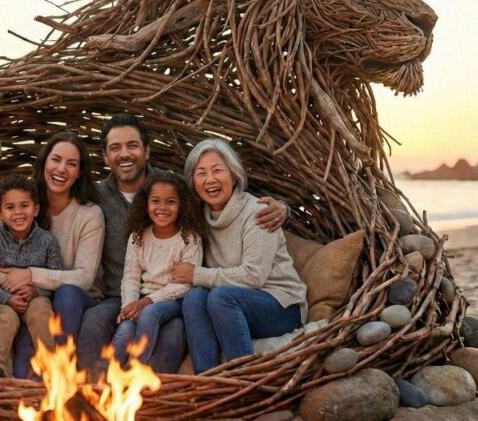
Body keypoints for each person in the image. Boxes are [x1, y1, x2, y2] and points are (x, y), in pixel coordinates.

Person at [53, 113, 290, 375]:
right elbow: (47, 197)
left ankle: (152, 392)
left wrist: (283, 208)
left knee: (179, 328)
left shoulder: (174, 188)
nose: (124, 154)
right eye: (115, 148)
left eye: (132, 145)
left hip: (174, 295)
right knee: (95, 320)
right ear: (106, 157)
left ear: (146, 150)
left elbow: (229, 200)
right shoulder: (95, 195)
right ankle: (90, 388)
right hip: (120, 295)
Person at [0, 131, 104, 378]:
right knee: (21, 365)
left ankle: (59, 371)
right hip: (14, 298)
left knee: (64, 295)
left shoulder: (88, 215)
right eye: (56, 159)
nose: (61, 169)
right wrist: (9, 283)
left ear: (79, 172)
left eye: (71, 164)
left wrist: (31, 277)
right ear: (44, 163)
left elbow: (83, 278)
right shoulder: (19, 199)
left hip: (63, 299)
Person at [171, 138, 307, 374]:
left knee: (220, 297)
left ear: (234, 175)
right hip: (233, 306)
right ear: (193, 182)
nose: (210, 179)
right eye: (201, 173)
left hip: (280, 306)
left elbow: (254, 276)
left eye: (217, 170)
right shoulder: (199, 216)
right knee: (194, 298)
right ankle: (208, 380)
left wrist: (196, 274)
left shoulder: (258, 213)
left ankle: (244, 378)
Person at [111, 173, 204, 367]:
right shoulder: (138, 236)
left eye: (171, 202)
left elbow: (185, 284)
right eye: (155, 201)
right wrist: (129, 306)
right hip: (142, 298)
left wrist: (146, 302)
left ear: (182, 205)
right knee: (124, 331)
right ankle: (108, 377)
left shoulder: (190, 238)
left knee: (149, 314)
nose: (162, 207)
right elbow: (131, 276)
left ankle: (134, 371)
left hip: (174, 300)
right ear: (146, 205)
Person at [0, 177, 63, 378]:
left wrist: (35, 291)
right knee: (4, 319)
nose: (18, 212)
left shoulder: (47, 241)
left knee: (41, 313)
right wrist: (6, 298)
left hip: (36, 297)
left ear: (36, 209)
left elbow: (55, 277)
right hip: (4, 299)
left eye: (24, 206)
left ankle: (51, 365)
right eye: (9, 207)